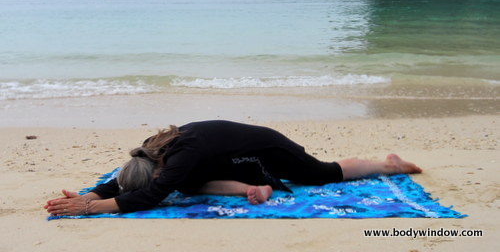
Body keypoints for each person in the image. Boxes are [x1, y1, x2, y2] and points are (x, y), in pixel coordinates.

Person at [45, 120, 422, 216]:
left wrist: (92, 209)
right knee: (189, 187)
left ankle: (385, 164)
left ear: (158, 171)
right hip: (225, 157)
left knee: (319, 174)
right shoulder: (146, 154)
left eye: (158, 180)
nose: (160, 182)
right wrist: (88, 195)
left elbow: (152, 196)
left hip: (264, 145)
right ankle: (249, 186)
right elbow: (121, 184)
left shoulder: (179, 160)